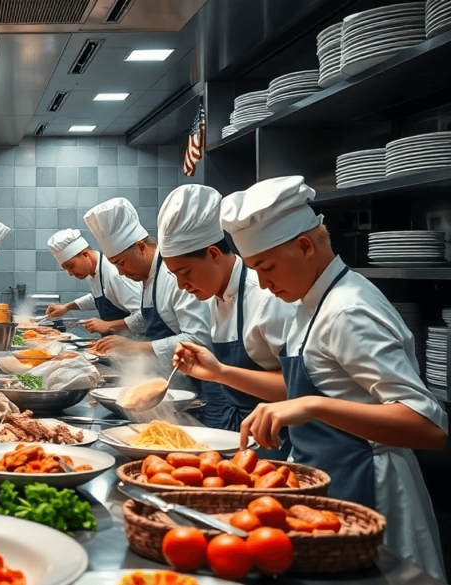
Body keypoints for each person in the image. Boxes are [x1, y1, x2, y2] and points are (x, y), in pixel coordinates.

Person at [218, 175, 447, 580]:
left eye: (267, 267)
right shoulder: (309, 302)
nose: (263, 284)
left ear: (305, 246)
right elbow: (310, 387)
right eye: (254, 271)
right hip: (326, 487)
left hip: (370, 491)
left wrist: (313, 406)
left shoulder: (347, 309)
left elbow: (428, 426)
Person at [157, 184, 296, 435]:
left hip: (279, 435)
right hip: (241, 426)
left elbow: (297, 386)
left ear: (213, 254)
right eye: (173, 275)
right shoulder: (216, 295)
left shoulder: (267, 297)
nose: (180, 285)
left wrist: (221, 373)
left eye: (184, 272)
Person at [85, 199, 212, 379]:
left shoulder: (174, 275)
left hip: (198, 381)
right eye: (115, 266)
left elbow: (199, 339)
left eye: (121, 263)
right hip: (170, 375)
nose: (120, 273)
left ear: (141, 247)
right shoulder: (148, 276)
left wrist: (135, 347)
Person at [44, 228, 143, 336]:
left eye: (71, 266)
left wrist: (108, 325)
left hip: (134, 345)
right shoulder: (96, 271)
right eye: (66, 269)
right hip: (115, 344)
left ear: (85, 254)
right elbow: (102, 297)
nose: (70, 273)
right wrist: (67, 307)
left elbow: (143, 316)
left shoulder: (115, 275)